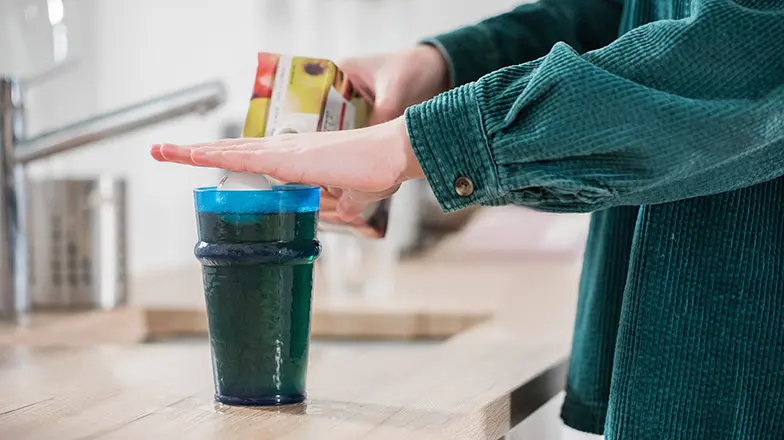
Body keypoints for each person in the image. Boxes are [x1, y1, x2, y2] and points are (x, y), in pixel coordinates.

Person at [151, 0, 784, 438]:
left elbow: (756, 48)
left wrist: (419, 143)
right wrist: (443, 66)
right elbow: (626, 17)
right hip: (687, 351)